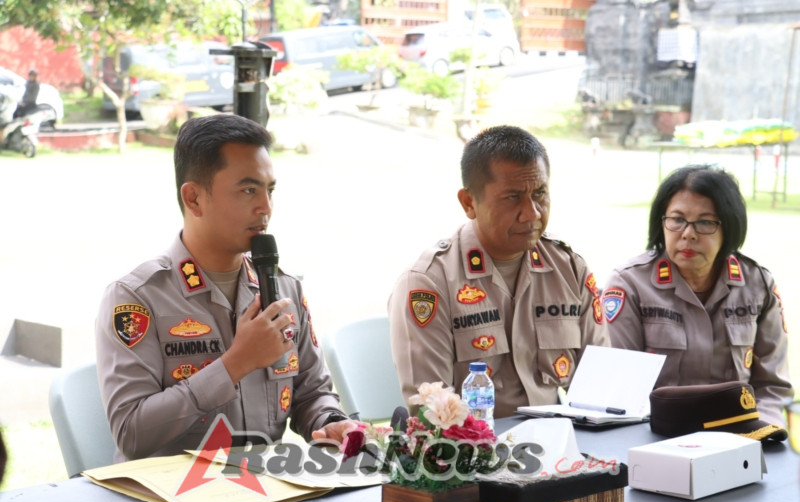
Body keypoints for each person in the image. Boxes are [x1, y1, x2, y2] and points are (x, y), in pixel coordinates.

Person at [96, 114, 352, 462]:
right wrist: (234, 364)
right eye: (248, 190)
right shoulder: (137, 298)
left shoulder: (283, 289)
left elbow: (312, 394)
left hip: (265, 491)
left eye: (269, 189)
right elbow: (131, 432)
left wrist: (331, 421)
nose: (266, 207)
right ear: (194, 199)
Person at [388, 125, 609, 418]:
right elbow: (432, 413)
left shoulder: (570, 269)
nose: (532, 213)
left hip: (562, 446)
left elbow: (603, 388)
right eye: (512, 197)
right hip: (476, 454)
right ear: (469, 203)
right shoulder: (429, 283)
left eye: (540, 193)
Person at [602, 164, 793, 426]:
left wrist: (763, 435)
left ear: (730, 227)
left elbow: (772, 386)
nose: (688, 234)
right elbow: (620, 389)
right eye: (677, 219)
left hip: (739, 437)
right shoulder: (630, 284)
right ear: (661, 222)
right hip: (656, 436)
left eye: (705, 222)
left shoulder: (757, 284)